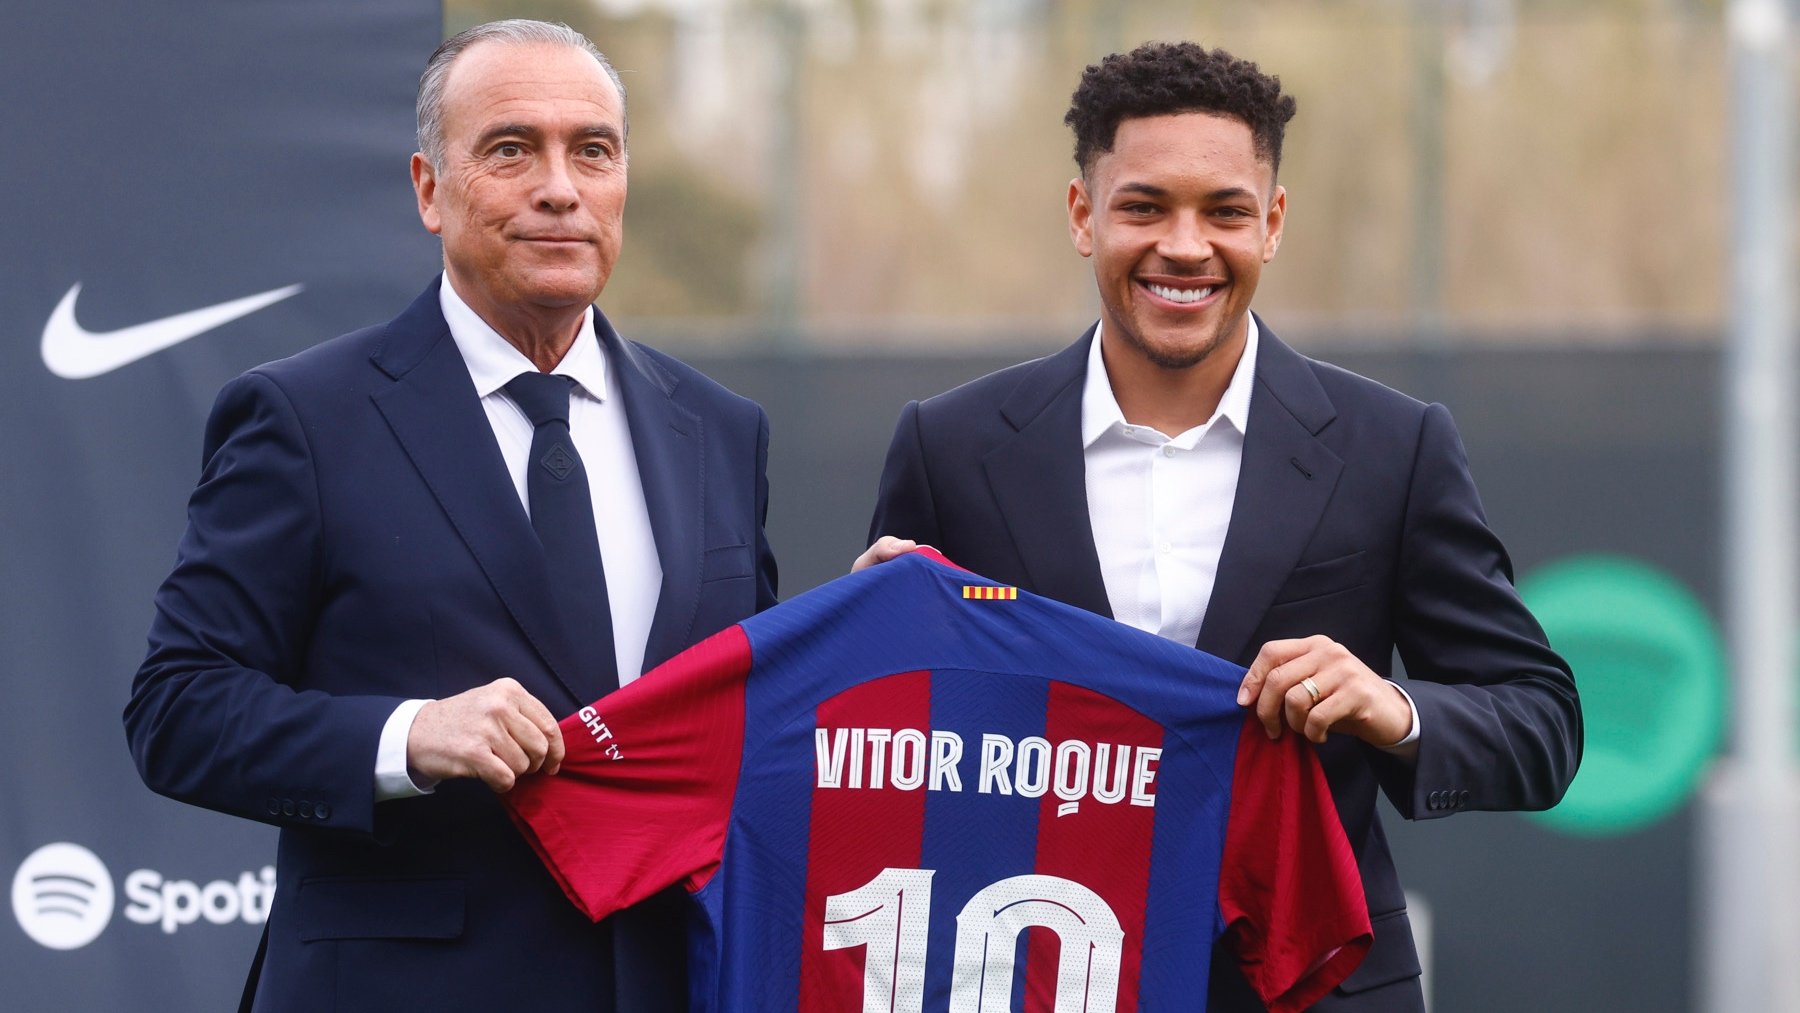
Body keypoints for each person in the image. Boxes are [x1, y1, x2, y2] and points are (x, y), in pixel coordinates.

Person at [861, 41, 1579, 1011]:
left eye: (1226, 210)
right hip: (1024, 977)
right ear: (1084, 215)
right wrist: (876, 652)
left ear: (1272, 223)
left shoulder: (1392, 445)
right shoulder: (951, 444)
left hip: (1312, 986)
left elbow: (1541, 724)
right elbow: (885, 752)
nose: (1186, 246)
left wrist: (1390, 706)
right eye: (1145, 206)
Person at [124, 19, 775, 1013]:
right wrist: (409, 735)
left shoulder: (720, 430)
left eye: (592, 150)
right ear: (430, 189)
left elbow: (731, 718)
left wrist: (858, 641)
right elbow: (178, 710)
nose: (560, 186)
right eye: (511, 148)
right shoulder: (306, 418)